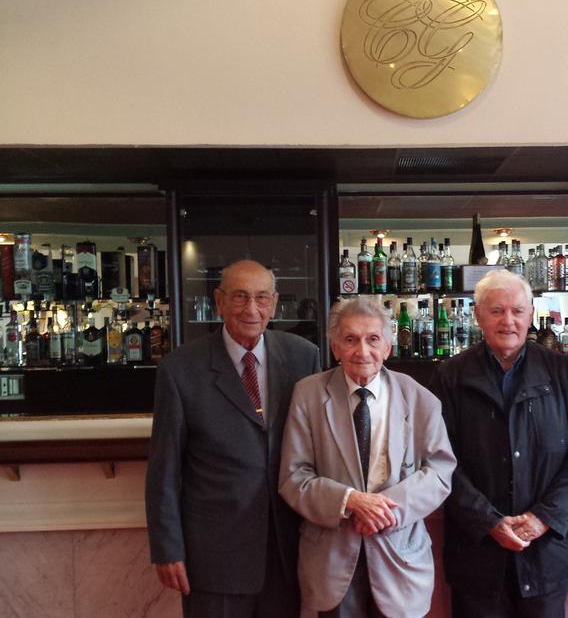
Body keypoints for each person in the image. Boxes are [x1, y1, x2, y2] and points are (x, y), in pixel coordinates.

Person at [146, 259, 321, 618]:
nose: (251, 309)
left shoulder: (304, 357)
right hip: (214, 557)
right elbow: (164, 469)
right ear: (219, 301)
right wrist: (167, 548)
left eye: (261, 297)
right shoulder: (180, 369)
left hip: (288, 552)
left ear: (274, 303)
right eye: (240, 296)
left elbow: (321, 447)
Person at [278, 295, 456, 618]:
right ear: (335, 348)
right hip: (330, 563)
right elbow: (293, 477)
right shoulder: (308, 395)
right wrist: (350, 501)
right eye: (350, 339)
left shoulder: (420, 398)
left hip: (400, 561)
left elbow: (440, 472)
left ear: (388, 347)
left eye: (373, 339)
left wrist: (383, 510)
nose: (362, 351)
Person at [431, 269, 568, 618]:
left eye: (517, 311)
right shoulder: (450, 375)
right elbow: (440, 461)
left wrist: (543, 517)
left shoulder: (561, 372)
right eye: (497, 311)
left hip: (547, 554)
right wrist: (488, 521)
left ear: (531, 313)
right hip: (476, 554)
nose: (508, 321)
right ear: (478, 315)